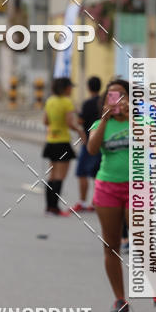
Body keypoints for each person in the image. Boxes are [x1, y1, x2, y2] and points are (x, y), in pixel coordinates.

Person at [88, 79, 156, 312]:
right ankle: (120, 299)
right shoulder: (100, 124)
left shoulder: (142, 121)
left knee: (141, 240)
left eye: (120, 96)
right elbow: (92, 149)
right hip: (107, 187)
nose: (116, 100)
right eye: (111, 96)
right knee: (111, 245)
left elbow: (153, 143)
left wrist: (132, 116)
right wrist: (106, 119)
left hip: (138, 187)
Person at [43, 77, 85, 216]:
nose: (71, 89)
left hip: (51, 141)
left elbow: (45, 121)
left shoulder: (50, 101)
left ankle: (49, 207)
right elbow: (69, 122)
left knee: (52, 175)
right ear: (66, 88)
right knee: (60, 176)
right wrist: (78, 129)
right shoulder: (67, 102)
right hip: (62, 142)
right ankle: (55, 208)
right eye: (70, 87)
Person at [74, 76, 102, 212]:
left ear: (89, 87)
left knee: (82, 172)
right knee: (97, 173)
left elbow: (80, 121)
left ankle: (83, 201)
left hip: (88, 140)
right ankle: (96, 201)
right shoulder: (102, 104)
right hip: (102, 140)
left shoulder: (87, 103)